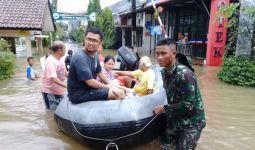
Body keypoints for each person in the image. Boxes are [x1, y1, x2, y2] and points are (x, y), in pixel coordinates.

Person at [153, 38, 206, 150]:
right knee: (165, 146)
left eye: (163, 53)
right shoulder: (164, 72)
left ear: (173, 54)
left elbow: (188, 105)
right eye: (157, 53)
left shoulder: (185, 74)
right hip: (175, 116)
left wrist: (163, 108)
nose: (159, 57)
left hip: (192, 121)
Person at [67, 27, 125, 104]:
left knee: (120, 89)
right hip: (78, 94)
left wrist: (110, 84)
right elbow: (90, 82)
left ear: (100, 43)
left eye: (94, 40)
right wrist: (109, 87)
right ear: (84, 39)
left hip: (88, 89)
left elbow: (99, 72)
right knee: (118, 94)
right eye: (89, 39)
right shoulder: (80, 57)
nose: (90, 43)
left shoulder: (95, 54)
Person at [41, 41, 67, 109]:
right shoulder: (50, 61)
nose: (65, 50)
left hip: (59, 90)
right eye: (64, 48)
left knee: (60, 110)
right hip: (49, 92)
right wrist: (67, 86)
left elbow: (66, 73)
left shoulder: (61, 60)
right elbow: (54, 78)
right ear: (59, 50)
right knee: (51, 112)